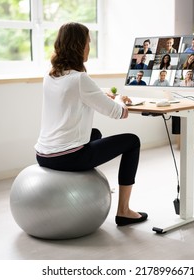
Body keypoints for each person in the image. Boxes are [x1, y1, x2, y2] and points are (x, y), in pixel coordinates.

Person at [35, 22, 147, 226]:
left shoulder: (51, 76)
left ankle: (91, 187)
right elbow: (120, 113)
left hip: (44, 155)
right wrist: (119, 98)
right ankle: (124, 211)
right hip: (67, 158)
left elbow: (76, 95)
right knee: (132, 141)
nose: (89, 47)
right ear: (79, 46)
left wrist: (101, 94)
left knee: (94, 133)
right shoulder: (80, 79)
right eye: (88, 43)